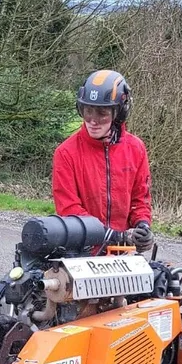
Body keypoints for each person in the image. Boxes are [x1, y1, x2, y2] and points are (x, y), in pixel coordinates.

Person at [51, 69, 154, 254]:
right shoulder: (66, 153)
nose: (93, 121)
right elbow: (69, 209)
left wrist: (143, 226)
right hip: (80, 251)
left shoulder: (136, 148)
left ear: (119, 112)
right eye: (87, 111)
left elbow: (140, 200)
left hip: (123, 252)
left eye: (102, 113)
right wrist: (114, 235)